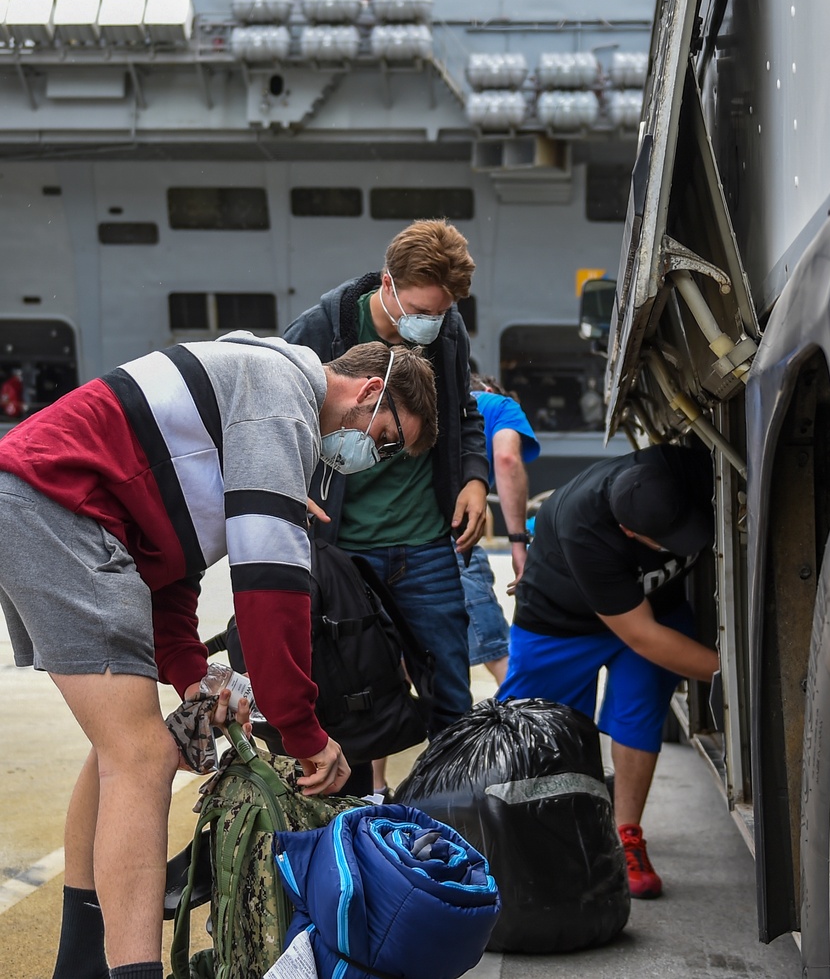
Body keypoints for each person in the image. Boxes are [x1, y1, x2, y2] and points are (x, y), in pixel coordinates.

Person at [0, 333, 437, 979]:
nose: (376, 456)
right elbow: (272, 575)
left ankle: (80, 963)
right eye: (390, 438)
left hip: (51, 507)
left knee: (120, 747)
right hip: (59, 510)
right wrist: (302, 728)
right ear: (372, 390)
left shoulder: (251, 391)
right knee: (142, 755)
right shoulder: (279, 395)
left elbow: (169, 569)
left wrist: (191, 676)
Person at [284, 220, 489, 742]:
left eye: (442, 313)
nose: (432, 323)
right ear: (386, 282)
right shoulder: (318, 331)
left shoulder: (448, 331)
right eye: (421, 312)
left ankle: (449, 804)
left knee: (450, 689)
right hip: (342, 548)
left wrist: (472, 478)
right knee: (347, 687)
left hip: (424, 546)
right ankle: (353, 808)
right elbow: (279, 422)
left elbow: (464, 412)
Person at [498, 443, 719, 900]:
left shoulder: (682, 466)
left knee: (639, 714)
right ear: (627, 530)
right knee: (532, 728)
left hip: (656, 609)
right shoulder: (585, 526)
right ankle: (521, 835)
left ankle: (626, 835)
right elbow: (641, 637)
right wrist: (734, 676)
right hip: (561, 622)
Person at [459, 374, 540, 685]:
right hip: (453, 537)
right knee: (497, 648)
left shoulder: (423, 398)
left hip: (386, 539)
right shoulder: (498, 405)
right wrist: (518, 543)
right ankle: (525, 726)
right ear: (489, 390)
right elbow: (506, 458)